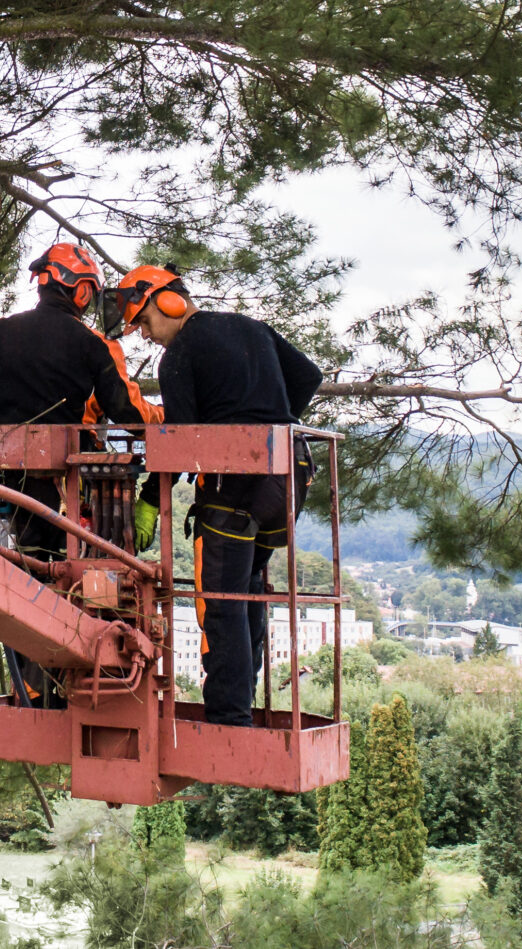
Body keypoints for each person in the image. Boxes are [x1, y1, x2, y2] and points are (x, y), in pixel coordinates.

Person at [106, 264, 323, 727]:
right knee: (247, 595)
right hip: (287, 480)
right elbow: (308, 375)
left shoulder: (180, 354)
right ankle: (241, 705)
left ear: (167, 301)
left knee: (221, 606)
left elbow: (180, 441)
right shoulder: (250, 327)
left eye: (143, 322)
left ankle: (229, 718)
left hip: (234, 488)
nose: (145, 335)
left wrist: (149, 498)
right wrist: (272, 425)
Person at [0, 242, 159, 705]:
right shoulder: (93, 343)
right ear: (78, 291)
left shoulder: (0, 330)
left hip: (11, 477)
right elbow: (124, 408)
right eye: (89, 293)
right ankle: (67, 671)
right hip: (68, 483)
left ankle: (34, 683)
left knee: (27, 571)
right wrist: (164, 420)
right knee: (79, 577)